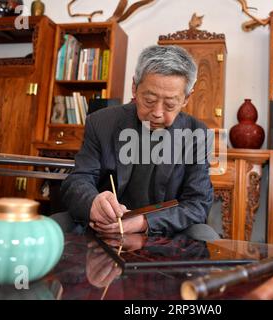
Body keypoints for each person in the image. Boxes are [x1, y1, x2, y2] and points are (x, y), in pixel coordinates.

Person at [60, 45, 218, 240]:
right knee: (54, 225)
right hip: (103, 224)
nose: (158, 113)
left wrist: (144, 222)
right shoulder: (101, 122)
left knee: (205, 235)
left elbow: (198, 203)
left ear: (186, 98)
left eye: (170, 104)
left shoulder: (197, 133)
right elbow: (78, 180)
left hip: (165, 229)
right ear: (134, 87)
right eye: (149, 100)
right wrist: (93, 202)